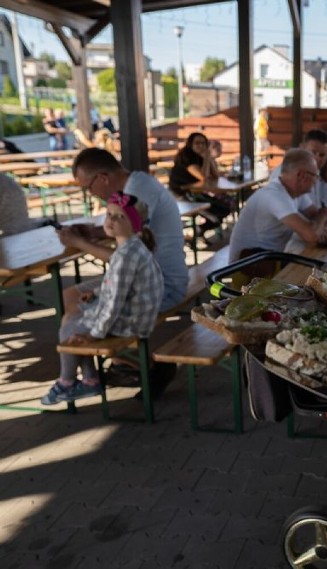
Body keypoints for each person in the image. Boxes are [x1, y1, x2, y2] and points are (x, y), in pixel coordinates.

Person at [41, 192, 163, 405]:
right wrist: (96, 293)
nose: (111, 220)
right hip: (135, 313)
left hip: (131, 322)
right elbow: (116, 284)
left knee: (70, 328)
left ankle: (67, 382)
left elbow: (115, 300)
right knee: (77, 315)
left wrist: (96, 334)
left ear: (135, 225)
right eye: (109, 214)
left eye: (120, 217)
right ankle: (89, 379)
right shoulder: (130, 248)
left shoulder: (126, 256)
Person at [59, 148, 188, 314]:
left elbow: (125, 260)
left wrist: (78, 242)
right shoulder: (138, 183)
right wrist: (93, 232)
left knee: (78, 308)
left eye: (88, 188)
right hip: (150, 280)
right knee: (70, 297)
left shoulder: (137, 193)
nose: (91, 194)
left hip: (163, 287)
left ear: (103, 178)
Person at [228, 148, 327, 263]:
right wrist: (323, 216)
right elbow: (312, 236)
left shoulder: (296, 193)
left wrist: (320, 221)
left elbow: (316, 218)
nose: (316, 181)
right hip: (246, 267)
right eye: (315, 175)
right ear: (301, 175)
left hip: (267, 259)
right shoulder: (274, 196)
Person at [168, 132, 232, 238]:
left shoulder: (199, 156)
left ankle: (196, 232)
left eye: (203, 143)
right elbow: (203, 177)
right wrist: (207, 158)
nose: (200, 146)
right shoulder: (187, 157)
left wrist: (209, 156)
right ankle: (192, 234)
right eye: (197, 143)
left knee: (224, 209)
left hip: (194, 193)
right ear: (190, 144)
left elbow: (215, 175)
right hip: (181, 196)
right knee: (215, 217)